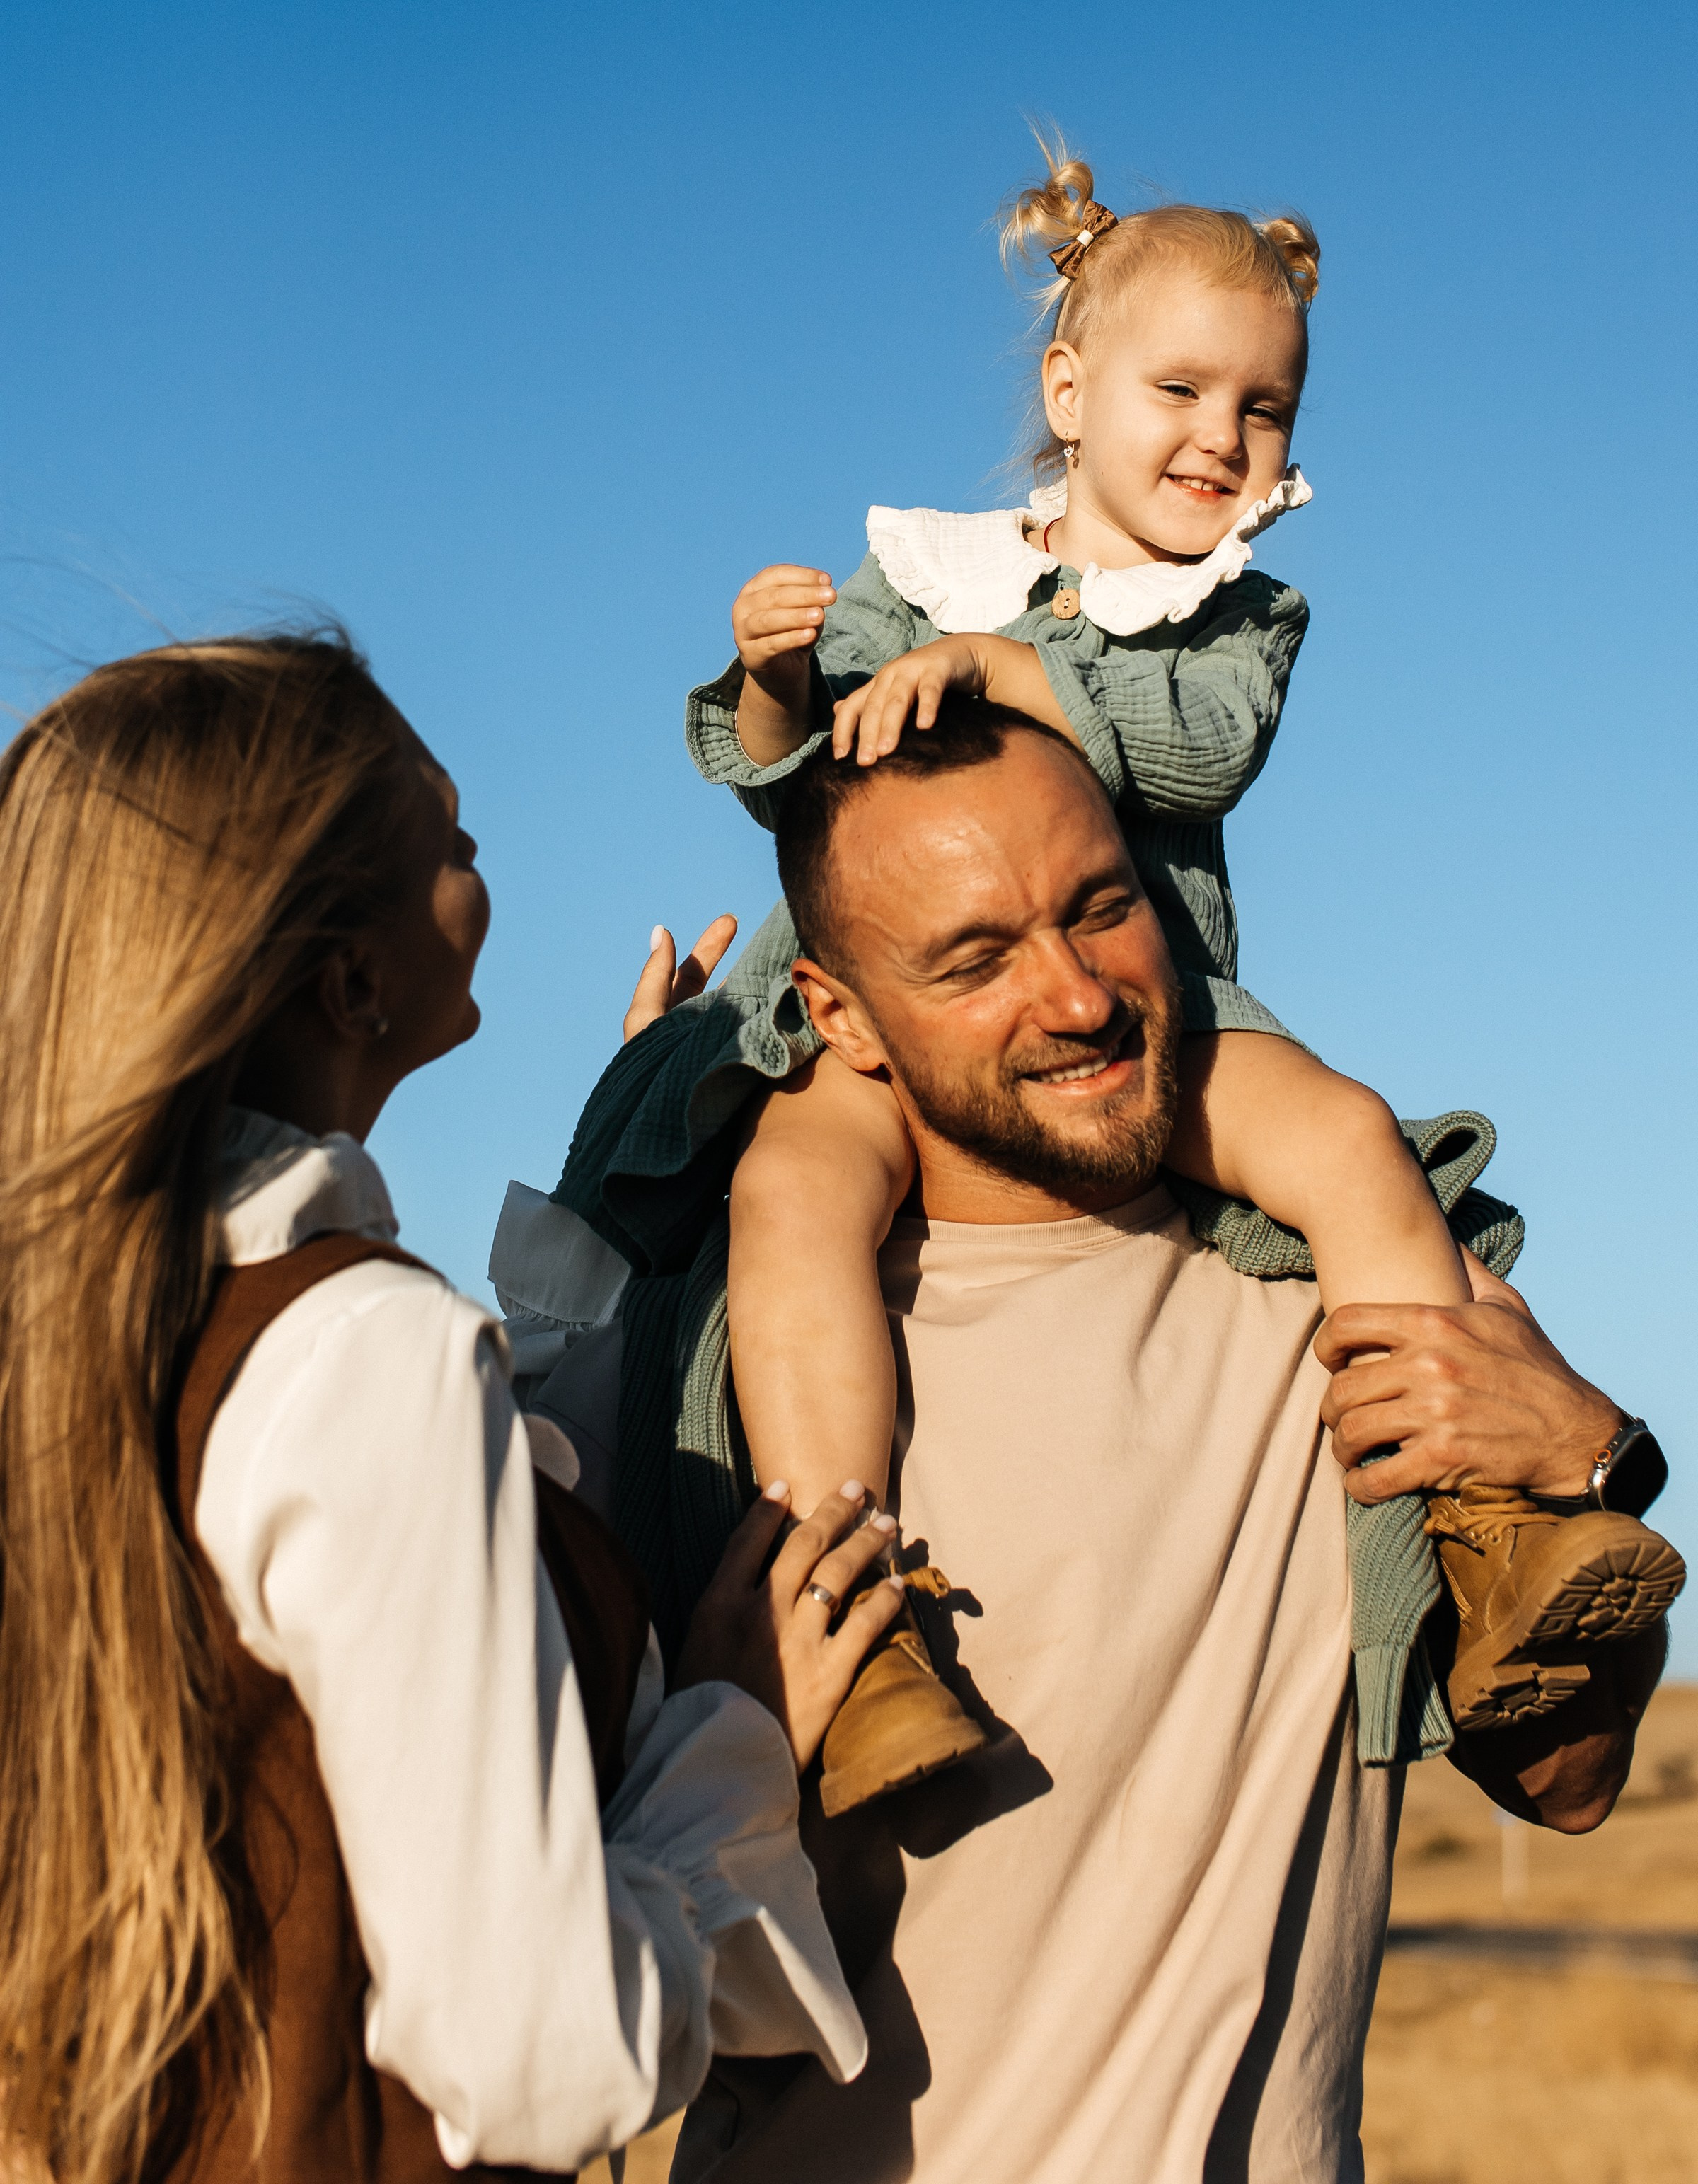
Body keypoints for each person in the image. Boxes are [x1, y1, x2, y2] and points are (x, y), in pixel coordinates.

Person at [682, 134, 1681, 1801]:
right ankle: (853, 1609)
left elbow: (1198, 756)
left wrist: (1012, 667)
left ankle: (1481, 1524)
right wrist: (774, 677)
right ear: (1070, 392)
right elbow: (801, 795)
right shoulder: (924, 570)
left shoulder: (1229, 616)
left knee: (1353, 1143)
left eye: (1265, 409)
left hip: (1167, 1011)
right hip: (880, 1015)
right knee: (788, 1199)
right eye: (1183, 391)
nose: (1222, 439)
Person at [651, 694, 1667, 2183]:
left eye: (1101, 908)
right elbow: (528, 2005)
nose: (1075, 997)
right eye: (977, 957)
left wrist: (1595, 1460)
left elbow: (1572, 1785)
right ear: (840, 1015)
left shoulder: (1355, 1312)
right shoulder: (711, 1401)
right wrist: (726, 1753)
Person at [0, 631, 906, 2184]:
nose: (471, 822)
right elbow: (541, 2064)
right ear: (352, 978)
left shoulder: (103, 1343)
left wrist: (635, 1145)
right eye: (445, 827)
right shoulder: (367, 1357)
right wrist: (732, 1732)